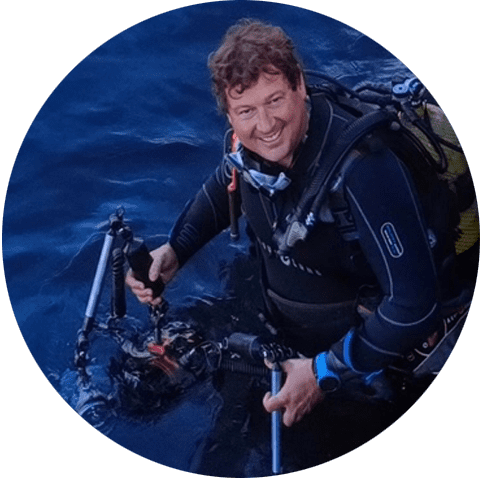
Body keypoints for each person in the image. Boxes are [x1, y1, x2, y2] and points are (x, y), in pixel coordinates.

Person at [126, 19, 472, 467]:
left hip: (364, 360)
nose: (265, 124)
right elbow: (224, 184)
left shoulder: (365, 171)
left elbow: (414, 306)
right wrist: (176, 250)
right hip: (282, 329)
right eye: (246, 111)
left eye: (275, 100)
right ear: (229, 116)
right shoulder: (245, 148)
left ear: (300, 87)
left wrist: (323, 372)